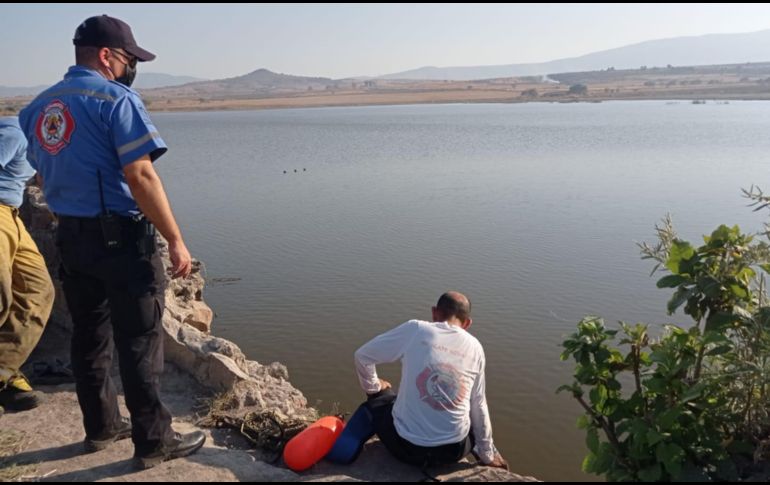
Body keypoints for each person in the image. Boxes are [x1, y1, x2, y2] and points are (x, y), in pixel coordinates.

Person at [18, 14, 205, 469]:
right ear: (107, 56)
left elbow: (42, 173)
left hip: (72, 237)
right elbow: (140, 174)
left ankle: (100, 427)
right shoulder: (115, 100)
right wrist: (176, 240)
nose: (130, 66)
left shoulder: (37, 107)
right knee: (139, 339)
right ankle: (153, 440)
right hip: (120, 239)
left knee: (89, 335)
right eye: (128, 57)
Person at [354, 291, 509, 471]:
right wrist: (487, 455)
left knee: (382, 396)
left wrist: (374, 386)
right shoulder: (475, 347)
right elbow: (479, 403)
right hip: (452, 452)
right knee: (472, 407)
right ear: (467, 323)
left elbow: (362, 356)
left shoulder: (416, 329)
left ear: (434, 312)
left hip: (403, 448)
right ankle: (482, 450)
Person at [0, 117, 55, 417]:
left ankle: (4, 372)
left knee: (38, 291)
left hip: (13, 214)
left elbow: (38, 178)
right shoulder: (16, 131)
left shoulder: (38, 145)